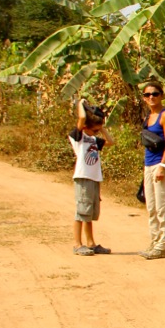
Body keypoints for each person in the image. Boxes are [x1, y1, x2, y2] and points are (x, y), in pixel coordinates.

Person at [68, 99, 113, 256]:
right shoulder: (78, 137)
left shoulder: (94, 139)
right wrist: (81, 104)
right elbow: (81, 118)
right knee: (81, 211)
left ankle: (91, 243)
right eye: (94, 130)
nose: (97, 133)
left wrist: (101, 128)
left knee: (89, 213)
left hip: (94, 178)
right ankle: (77, 244)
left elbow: (110, 142)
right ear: (85, 127)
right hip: (83, 177)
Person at [139, 81, 165, 259]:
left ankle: (163, 245)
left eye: (155, 94)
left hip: (161, 165)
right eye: (147, 95)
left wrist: (163, 166)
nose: (151, 97)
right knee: (152, 207)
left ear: (161, 95)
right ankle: (155, 242)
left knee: (162, 207)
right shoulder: (148, 116)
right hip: (149, 164)